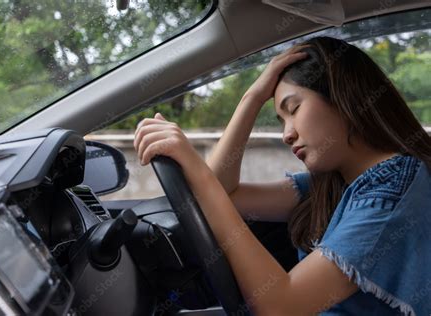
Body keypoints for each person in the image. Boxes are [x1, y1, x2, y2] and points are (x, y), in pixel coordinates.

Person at [133, 36, 431, 315]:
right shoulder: (335, 184)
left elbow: (281, 306)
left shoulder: (391, 189)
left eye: (294, 108)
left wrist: (195, 166)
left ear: (344, 98)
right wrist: (252, 97)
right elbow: (225, 194)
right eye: (281, 120)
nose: (287, 135)